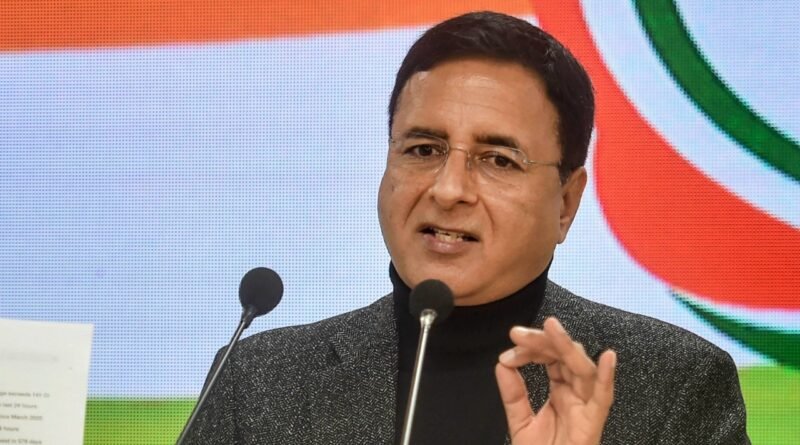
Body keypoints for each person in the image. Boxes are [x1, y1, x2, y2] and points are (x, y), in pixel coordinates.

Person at [185, 11, 749, 444]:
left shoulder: (674, 386)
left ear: (565, 203)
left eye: (498, 159)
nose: (448, 189)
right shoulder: (259, 381)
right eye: (423, 149)